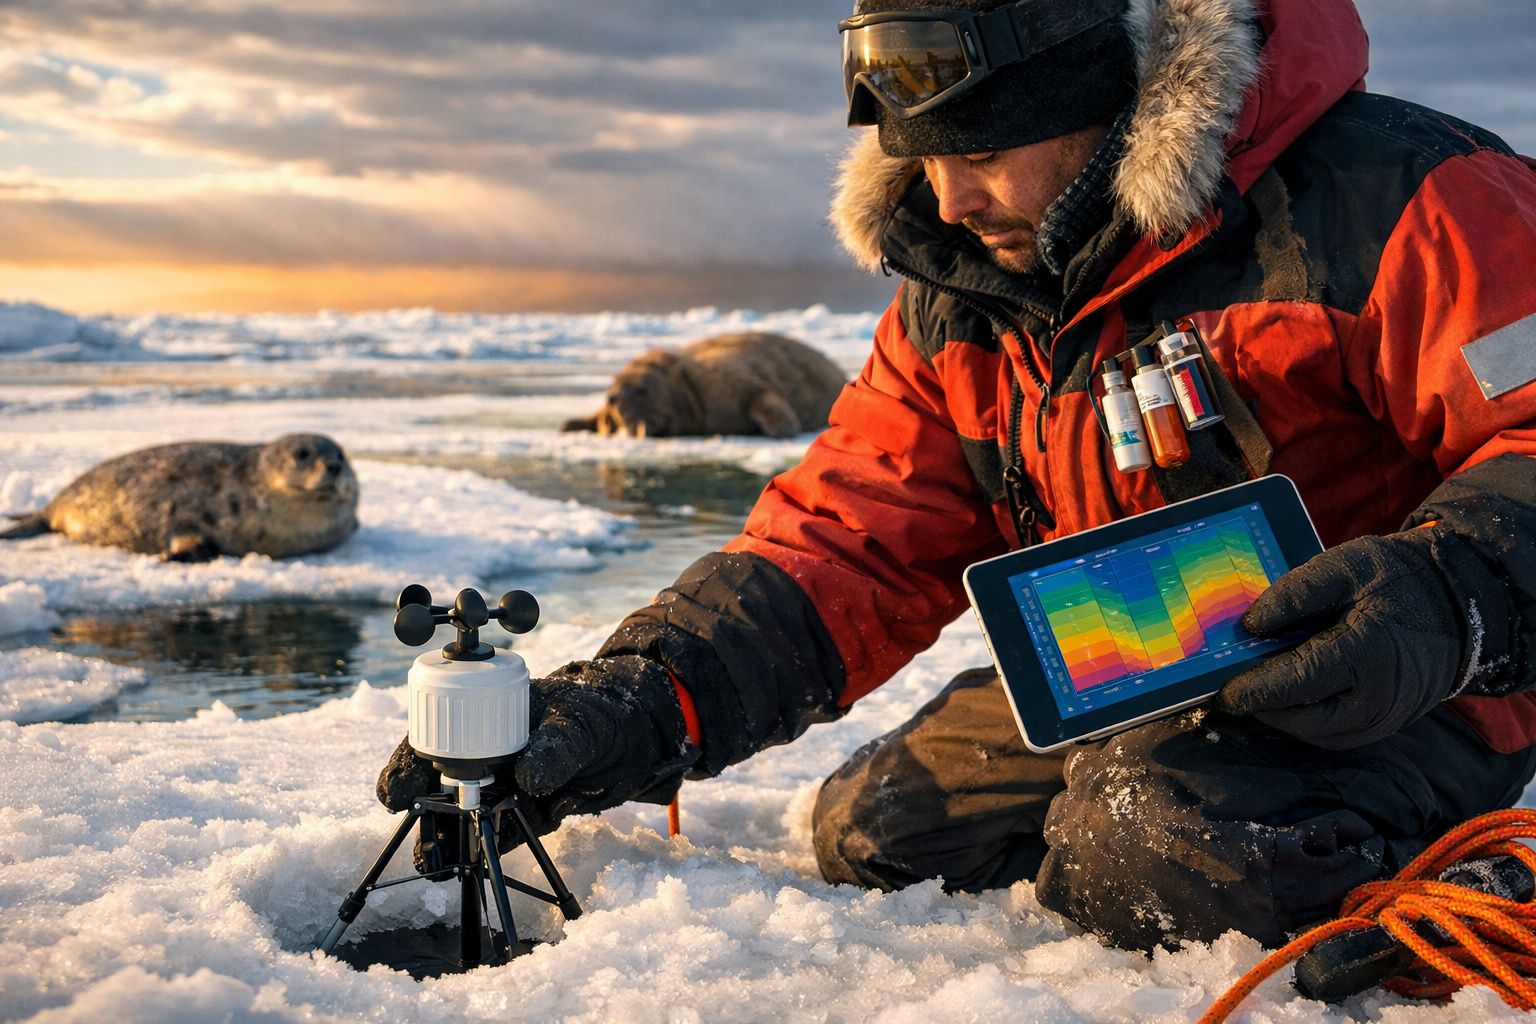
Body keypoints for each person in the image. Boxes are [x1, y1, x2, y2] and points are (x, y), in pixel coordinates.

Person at [381, 0, 1536, 952]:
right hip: (1123, 669)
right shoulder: (963, 292)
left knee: (1146, 845)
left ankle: (1456, 897)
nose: (946, 201)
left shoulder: (1408, 200)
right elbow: (843, 545)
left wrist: (1450, 596)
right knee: (876, 828)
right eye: (923, 157)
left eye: (979, 153)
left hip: (1408, 686)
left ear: (1107, 102)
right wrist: (630, 706)